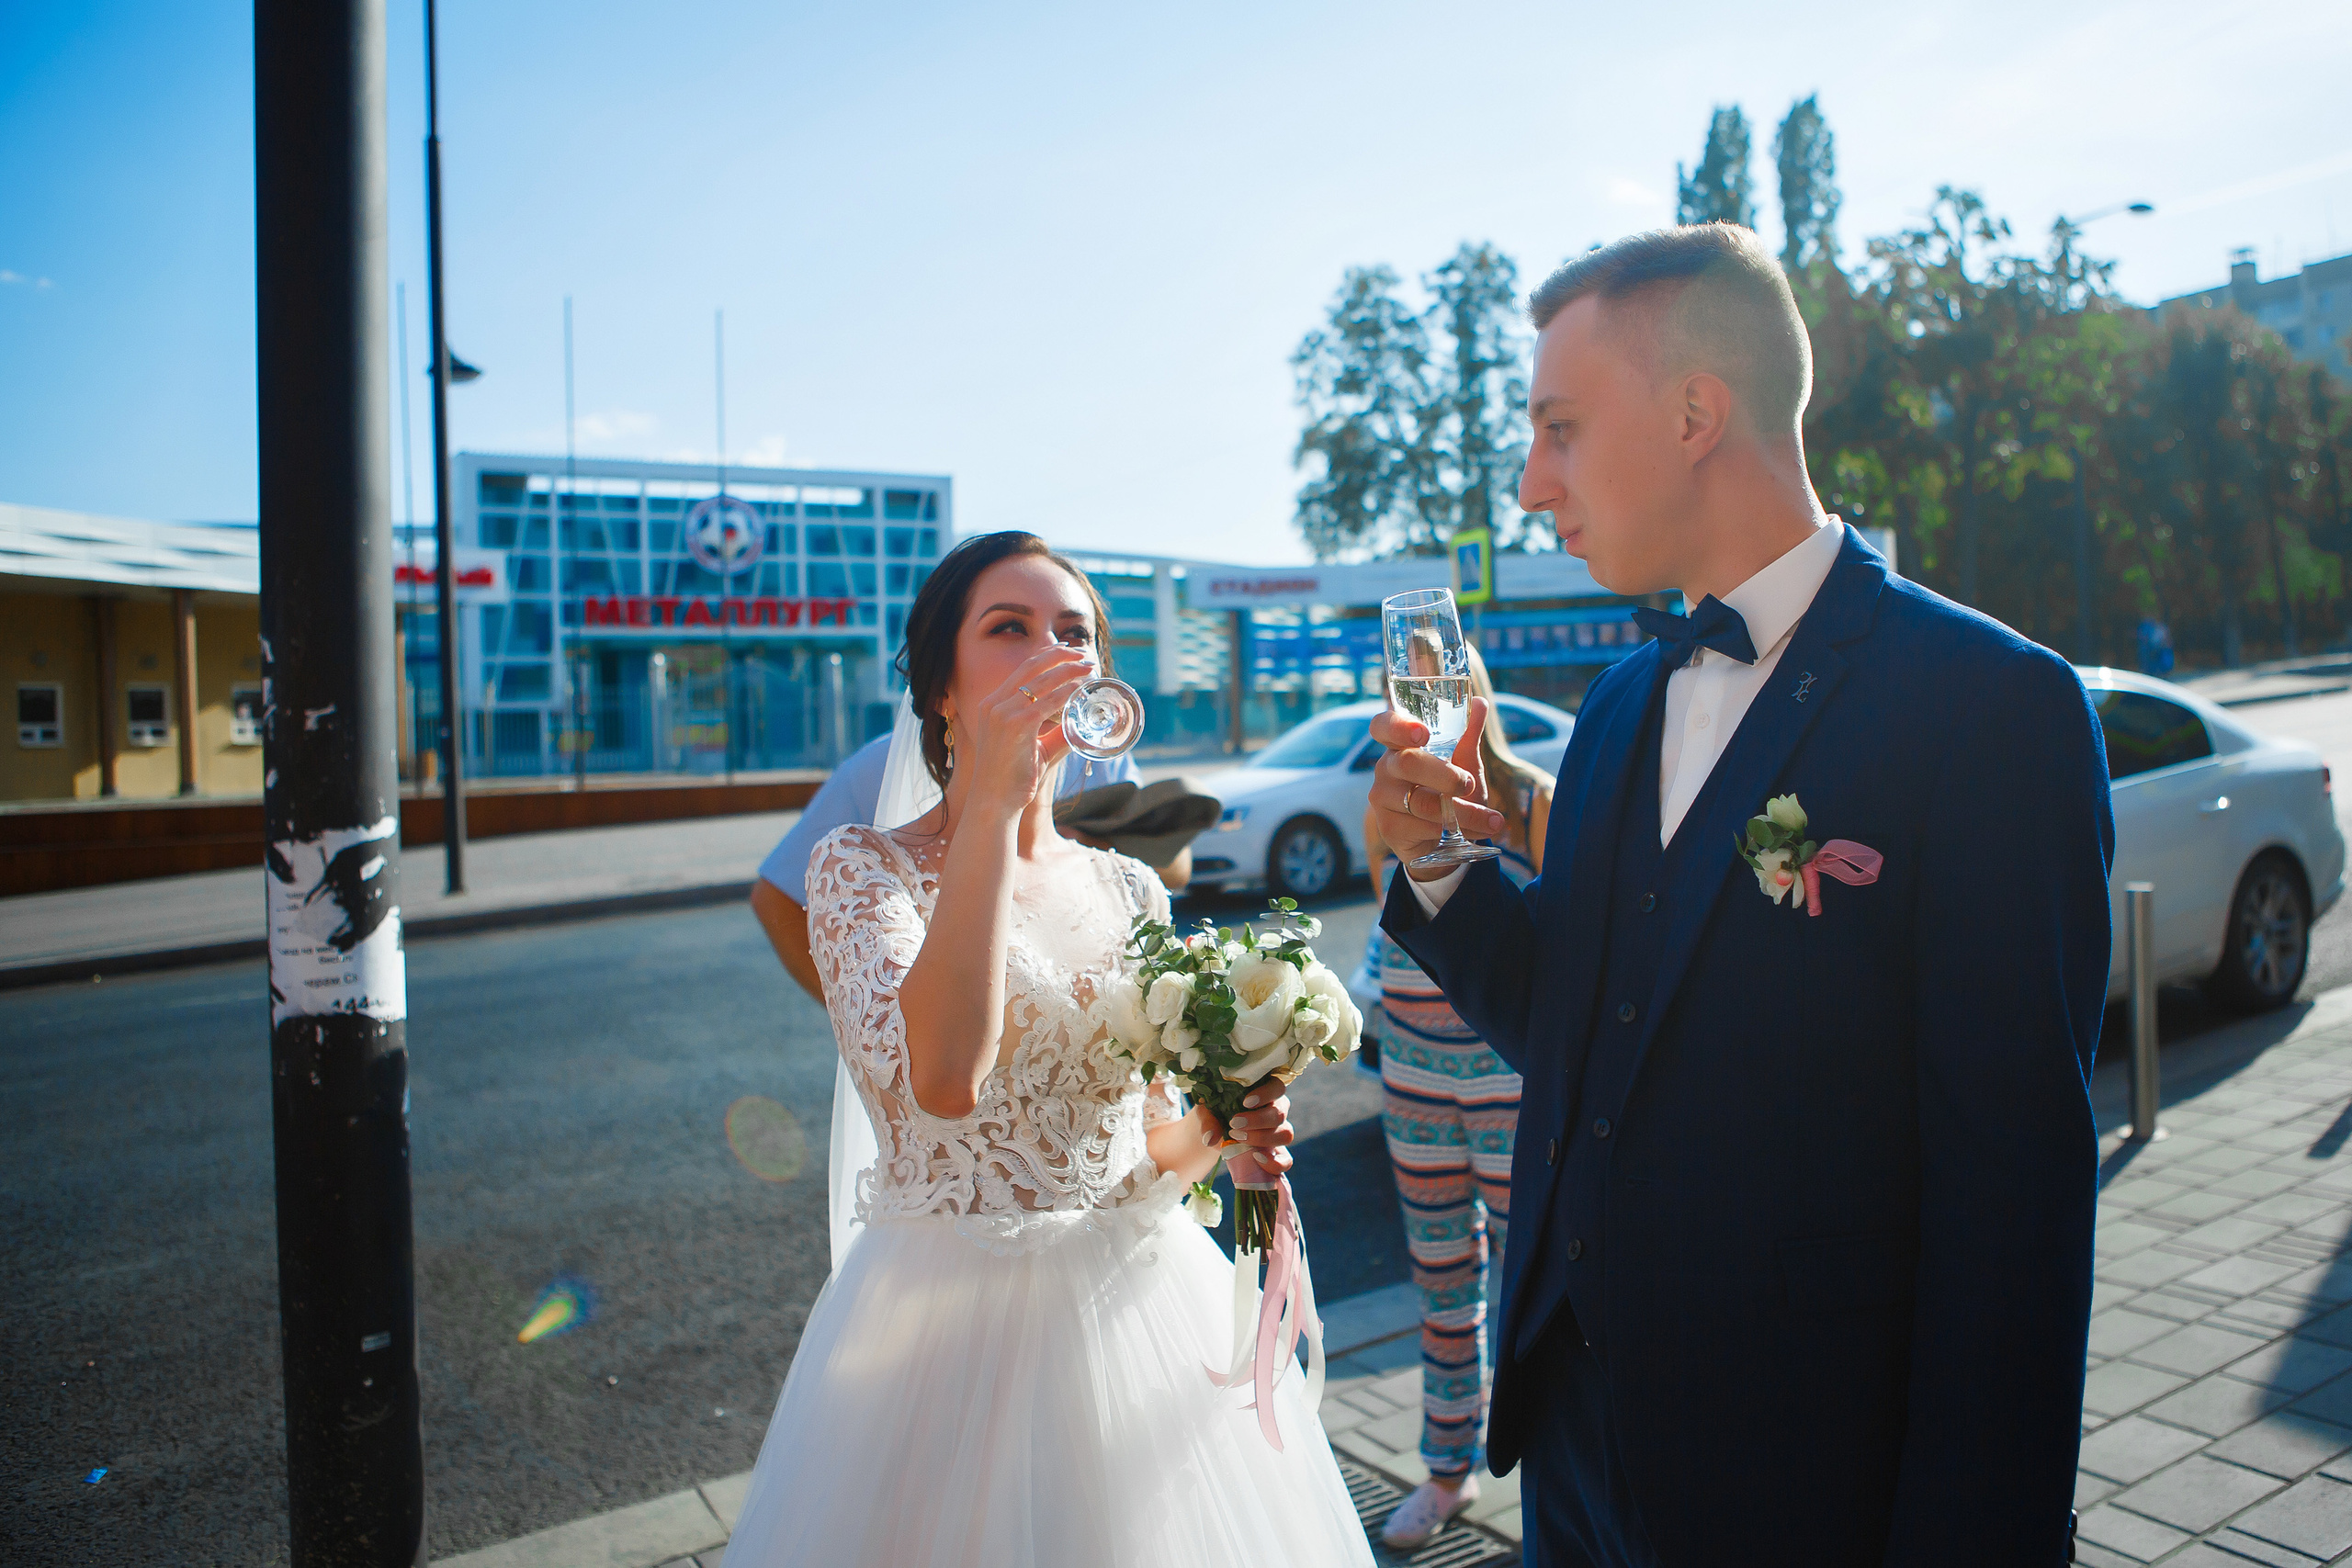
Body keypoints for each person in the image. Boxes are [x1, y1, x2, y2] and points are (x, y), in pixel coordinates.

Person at [1368, 225, 2112, 1567]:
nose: (1533, 482)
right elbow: (1585, 1034)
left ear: (1697, 411)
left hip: (1814, 1479)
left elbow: (2016, 1212)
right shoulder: (1611, 710)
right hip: (1575, 1462)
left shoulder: (1992, 709)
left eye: (1560, 428)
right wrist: (1443, 865)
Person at [725, 531, 1373, 1567]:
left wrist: (1224, 1126)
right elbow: (943, 1079)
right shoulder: (862, 871)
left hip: (1141, 1310)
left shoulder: (1130, 890)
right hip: (944, 1348)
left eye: (1072, 633)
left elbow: (1147, 1152)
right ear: (941, 683)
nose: (1048, 654)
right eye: (1009, 629)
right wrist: (989, 802)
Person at [1358, 648, 1550, 1549]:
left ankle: (1555, 1475)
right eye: (1405, 679)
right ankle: (1446, 1475)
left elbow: (1558, 945)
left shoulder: (1532, 799)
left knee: (1537, 1290)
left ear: (1471, 687)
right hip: (1414, 1078)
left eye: (1438, 674)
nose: (1421, 693)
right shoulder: (1385, 800)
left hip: (1513, 1083)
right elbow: (1399, 932)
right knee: (1441, 1286)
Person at [751, 732, 1189, 1002]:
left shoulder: (1094, 752)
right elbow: (776, 897)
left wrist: (1085, 848)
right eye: (1010, 629)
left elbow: (1177, 869)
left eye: (1073, 633)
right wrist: (862, 1016)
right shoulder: (881, 766)